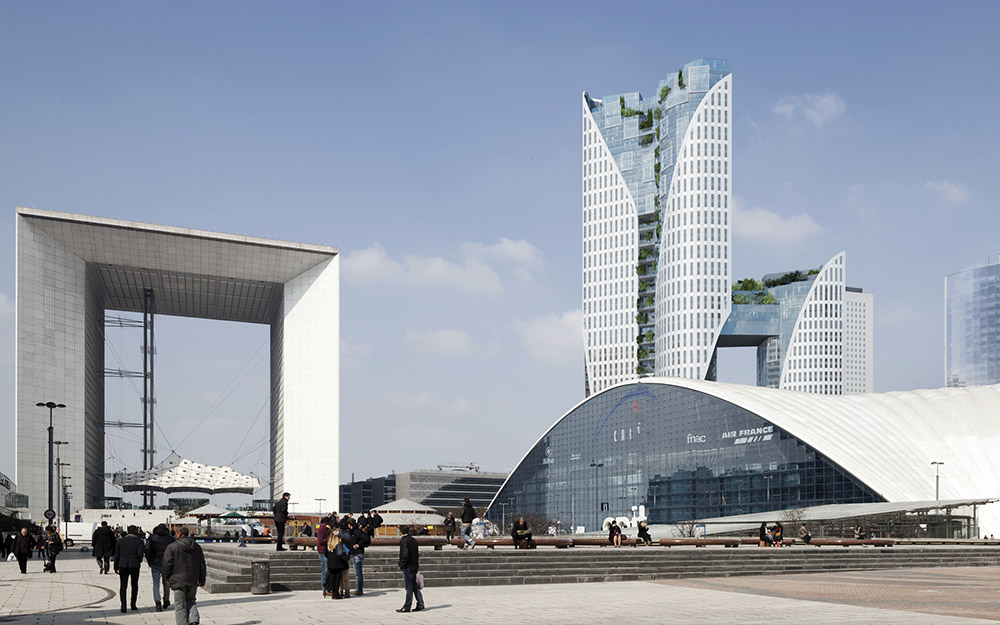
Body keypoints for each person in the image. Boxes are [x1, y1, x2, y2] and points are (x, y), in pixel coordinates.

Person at [162, 526, 206, 625]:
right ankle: (194, 620)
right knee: (191, 601)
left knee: (180, 605)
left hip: (178, 580)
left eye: (176, 533)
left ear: (180, 534)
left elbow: (166, 564)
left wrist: (167, 578)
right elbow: (202, 564)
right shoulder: (196, 546)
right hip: (192, 579)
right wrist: (202, 579)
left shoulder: (172, 547)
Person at [114, 525, 145, 613]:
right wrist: (139, 560)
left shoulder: (120, 541)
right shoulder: (139, 541)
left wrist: (116, 566)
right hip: (134, 565)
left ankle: (123, 605)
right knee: (134, 585)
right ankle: (133, 604)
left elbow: (117, 555)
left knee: (123, 586)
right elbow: (140, 555)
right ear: (135, 531)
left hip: (123, 565)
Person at [145, 523, 175, 612]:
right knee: (166, 583)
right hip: (167, 563)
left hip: (155, 562)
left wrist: (149, 561)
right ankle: (166, 600)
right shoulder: (170, 538)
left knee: (156, 583)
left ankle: (157, 602)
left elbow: (147, 549)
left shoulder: (152, 538)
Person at [396, 525, 424, 613]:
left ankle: (407, 606)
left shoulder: (404, 541)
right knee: (414, 586)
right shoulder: (413, 540)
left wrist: (401, 564)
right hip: (414, 565)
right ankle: (420, 604)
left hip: (408, 566)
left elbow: (405, 554)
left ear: (401, 532)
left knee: (409, 587)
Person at [325, 524, 350, 599]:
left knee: (332, 578)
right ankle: (336, 593)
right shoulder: (338, 543)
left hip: (331, 563)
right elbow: (340, 553)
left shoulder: (328, 543)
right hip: (338, 563)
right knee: (337, 579)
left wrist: (330, 558)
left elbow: (325, 553)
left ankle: (333, 593)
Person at [348, 518, 371, 596]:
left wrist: (358, 545)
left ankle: (359, 589)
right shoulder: (355, 530)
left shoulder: (356, 531)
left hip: (358, 554)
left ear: (349, 525)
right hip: (356, 554)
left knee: (358, 573)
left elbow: (364, 539)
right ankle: (359, 588)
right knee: (357, 572)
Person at [317, 517, 331, 597]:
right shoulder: (322, 528)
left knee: (326, 569)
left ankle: (326, 588)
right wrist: (330, 538)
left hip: (325, 550)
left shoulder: (325, 528)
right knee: (325, 570)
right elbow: (321, 540)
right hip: (322, 551)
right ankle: (324, 589)